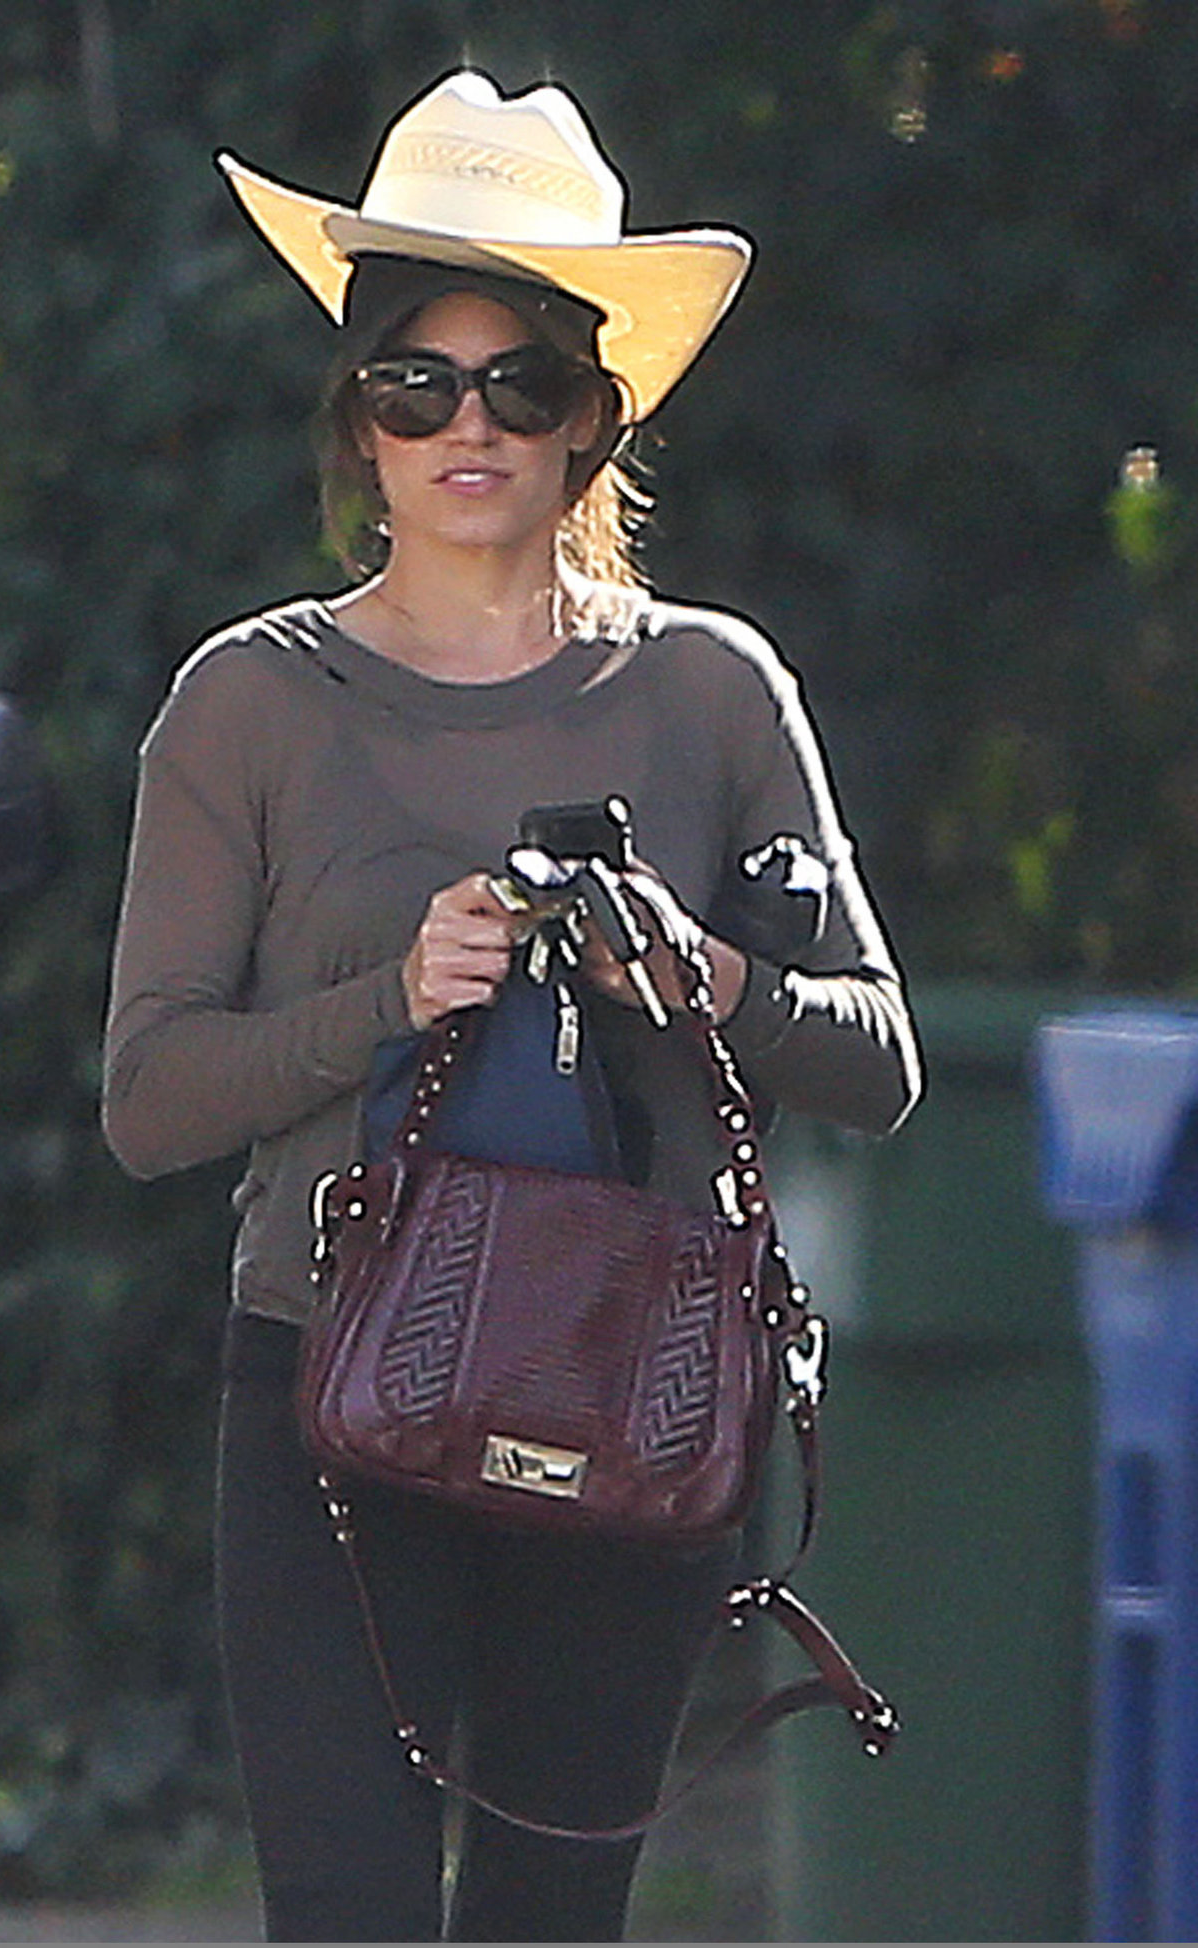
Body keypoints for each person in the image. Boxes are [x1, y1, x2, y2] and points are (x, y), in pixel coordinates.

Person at [102, 69, 923, 1944]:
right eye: (418, 381)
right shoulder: (250, 703)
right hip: (324, 1388)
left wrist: (704, 977)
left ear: (591, 419)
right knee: (354, 1909)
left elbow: (878, 1056)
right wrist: (395, 996)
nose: (469, 425)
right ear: (360, 424)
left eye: (521, 381)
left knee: (556, 1921)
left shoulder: (709, 690)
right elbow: (147, 1101)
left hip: (630, 1394)